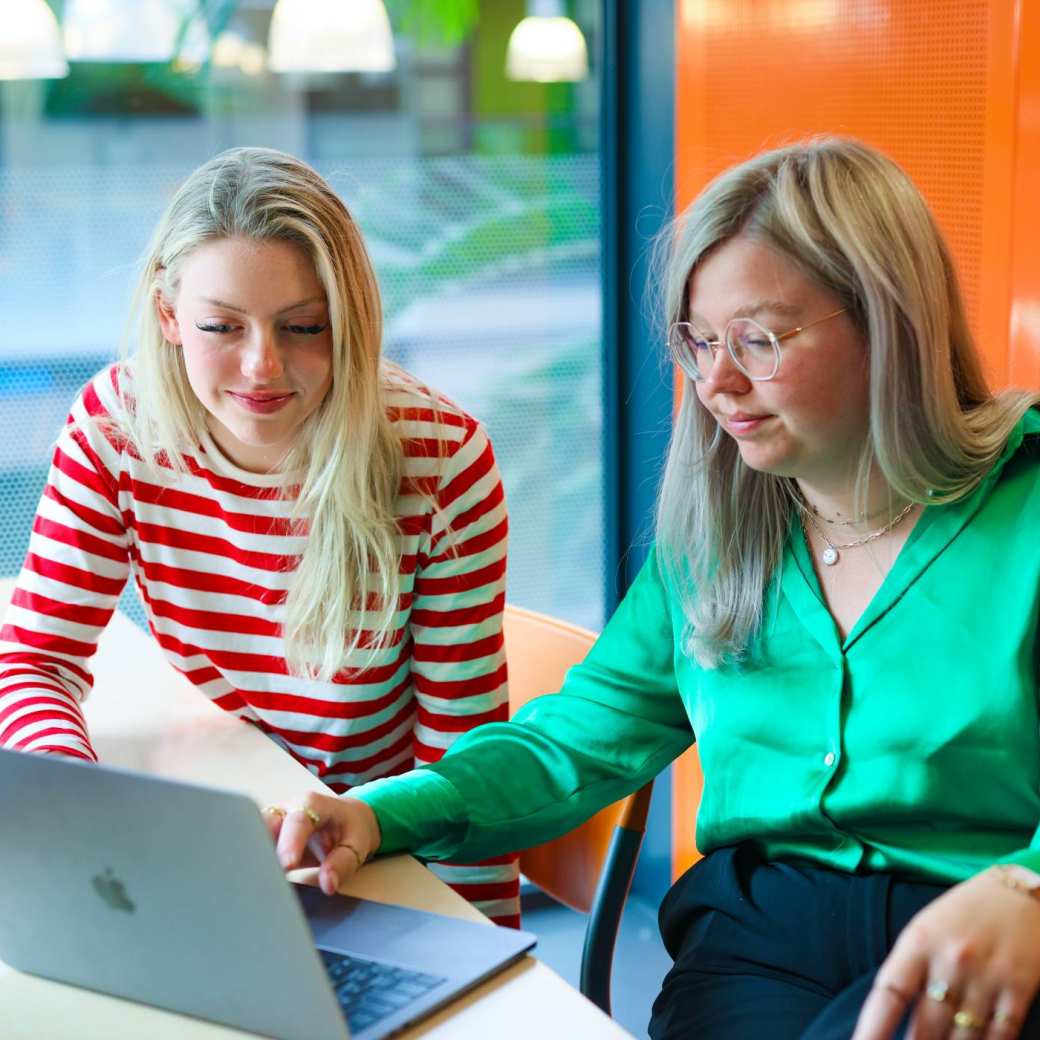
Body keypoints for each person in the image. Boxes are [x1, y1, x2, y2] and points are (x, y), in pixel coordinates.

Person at [265, 137, 1040, 1040]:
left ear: (886, 319)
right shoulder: (716, 537)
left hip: (981, 930)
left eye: (759, 338)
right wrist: (376, 811)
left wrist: (1028, 888)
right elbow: (572, 746)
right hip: (759, 942)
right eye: (700, 341)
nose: (715, 381)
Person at [0, 147, 519, 927]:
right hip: (213, 842)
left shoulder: (439, 459)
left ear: (347, 320)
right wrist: (84, 819)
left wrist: (478, 952)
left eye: (303, 326)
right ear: (169, 315)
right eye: (221, 326)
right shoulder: (116, 429)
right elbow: (37, 660)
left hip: (372, 860)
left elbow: (460, 769)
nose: (261, 367)